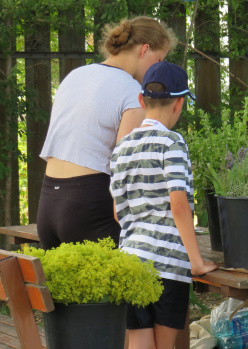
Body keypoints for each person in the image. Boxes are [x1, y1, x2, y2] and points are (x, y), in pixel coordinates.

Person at [110, 61, 217, 349]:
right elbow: (178, 203)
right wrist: (195, 260)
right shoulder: (172, 143)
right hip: (167, 268)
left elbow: (119, 213)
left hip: (130, 263)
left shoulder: (121, 148)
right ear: (179, 103)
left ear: (141, 100)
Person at [37, 16, 176, 250]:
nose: (159, 69)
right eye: (159, 60)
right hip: (88, 207)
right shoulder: (133, 92)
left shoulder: (75, 76)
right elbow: (127, 170)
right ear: (145, 50)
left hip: (48, 201)